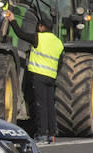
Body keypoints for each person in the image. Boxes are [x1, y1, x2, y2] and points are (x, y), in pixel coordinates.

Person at [5, 8, 61, 143]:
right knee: (50, 106)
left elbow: (20, 34)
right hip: (51, 77)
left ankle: (42, 134)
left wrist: (12, 20)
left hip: (39, 76)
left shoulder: (38, 37)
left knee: (40, 105)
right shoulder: (58, 42)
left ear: (41, 27)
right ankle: (52, 134)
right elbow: (61, 62)